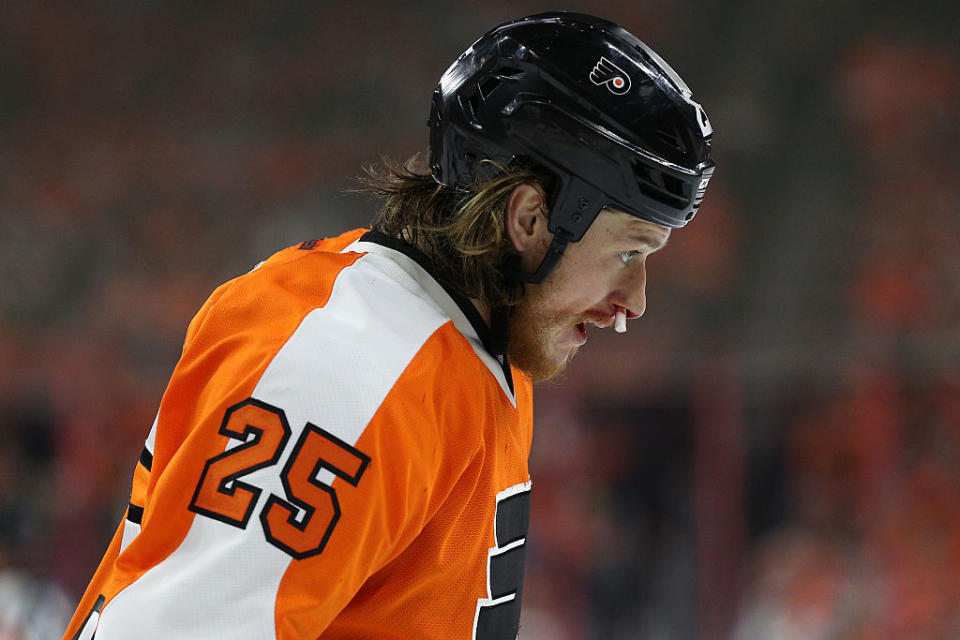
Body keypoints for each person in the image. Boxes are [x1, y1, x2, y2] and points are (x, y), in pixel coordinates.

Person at [63, 11, 714, 640]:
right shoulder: (348, 366)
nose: (635, 300)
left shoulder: (460, 345)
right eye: (629, 251)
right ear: (528, 220)